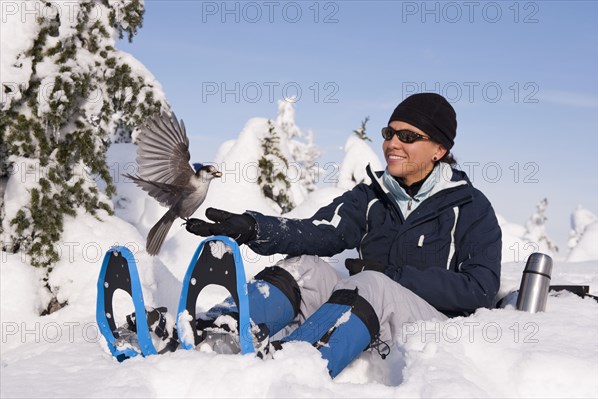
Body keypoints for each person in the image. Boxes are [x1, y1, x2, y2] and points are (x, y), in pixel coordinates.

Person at [185, 92, 502, 378]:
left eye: (407, 136)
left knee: (373, 283)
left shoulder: (471, 207)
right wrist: (256, 228)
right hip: (365, 312)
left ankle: (288, 372)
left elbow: (480, 289)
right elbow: (320, 232)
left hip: (431, 330)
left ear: (439, 149)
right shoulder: (373, 196)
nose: (392, 143)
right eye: (389, 133)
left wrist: (392, 276)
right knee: (305, 266)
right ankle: (215, 333)